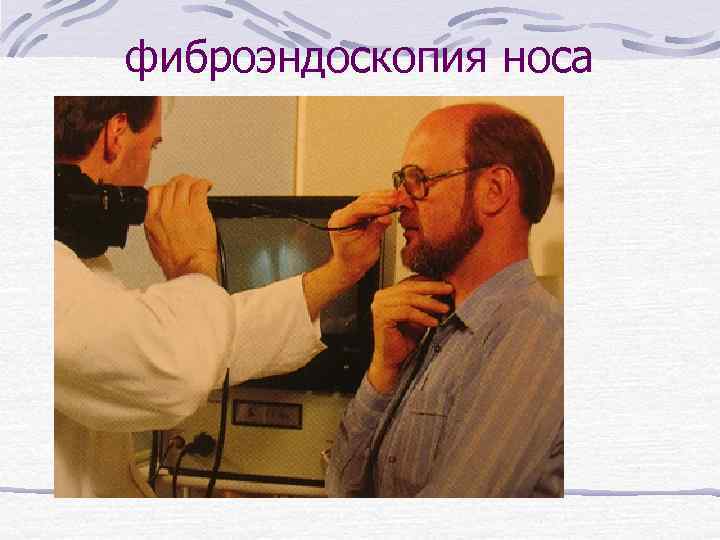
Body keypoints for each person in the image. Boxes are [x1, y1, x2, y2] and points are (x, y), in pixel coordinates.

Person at [54, 96, 399, 497]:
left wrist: (339, 272)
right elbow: (175, 368)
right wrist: (193, 265)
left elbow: (208, 338)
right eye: (153, 145)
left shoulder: (73, 268)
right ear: (116, 135)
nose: (148, 168)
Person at [326, 103, 563, 497]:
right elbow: (340, 488)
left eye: (418, 180)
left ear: (494, 190)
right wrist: (384, 370)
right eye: (401, 182)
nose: (399, 201)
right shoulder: (431, 331)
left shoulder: (537, 340)